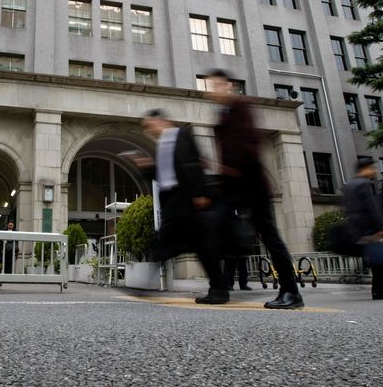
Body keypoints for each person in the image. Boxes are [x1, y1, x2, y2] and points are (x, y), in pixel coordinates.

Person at [206, 69, 304, 309]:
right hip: (233, 186)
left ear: (229, 86)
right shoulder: (224, 114)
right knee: (215, 231)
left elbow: (249, 146)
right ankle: (219, 288)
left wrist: (228, 168)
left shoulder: (241, 107)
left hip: (251, 185)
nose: (214, 91)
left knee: (270, 238)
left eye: (218, 85)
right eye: (211, 86)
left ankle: (291, 292)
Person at [127, 109, 227, 304]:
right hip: (172, 201)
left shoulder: (183, 135)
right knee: (164, 243)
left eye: (150, 125)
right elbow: (162, 175)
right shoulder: (160, 146)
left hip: (188, 197)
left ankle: (220, 289)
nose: (148, 130)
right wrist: (147, 167)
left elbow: (194, 164)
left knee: (200, 246)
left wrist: (200, 194)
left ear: (162, 121)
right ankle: (146, 286)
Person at [342, 157, 383, 300]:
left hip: (355, 227)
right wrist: (381, 228)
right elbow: (372, 207)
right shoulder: (365, 184)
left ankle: (376, 288)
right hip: (368, 227)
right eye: (372, 168)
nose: (375, 171)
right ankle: (379, 290)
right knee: (382, 259)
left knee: (371, 258)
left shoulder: (349, 185)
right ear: (365, 169)